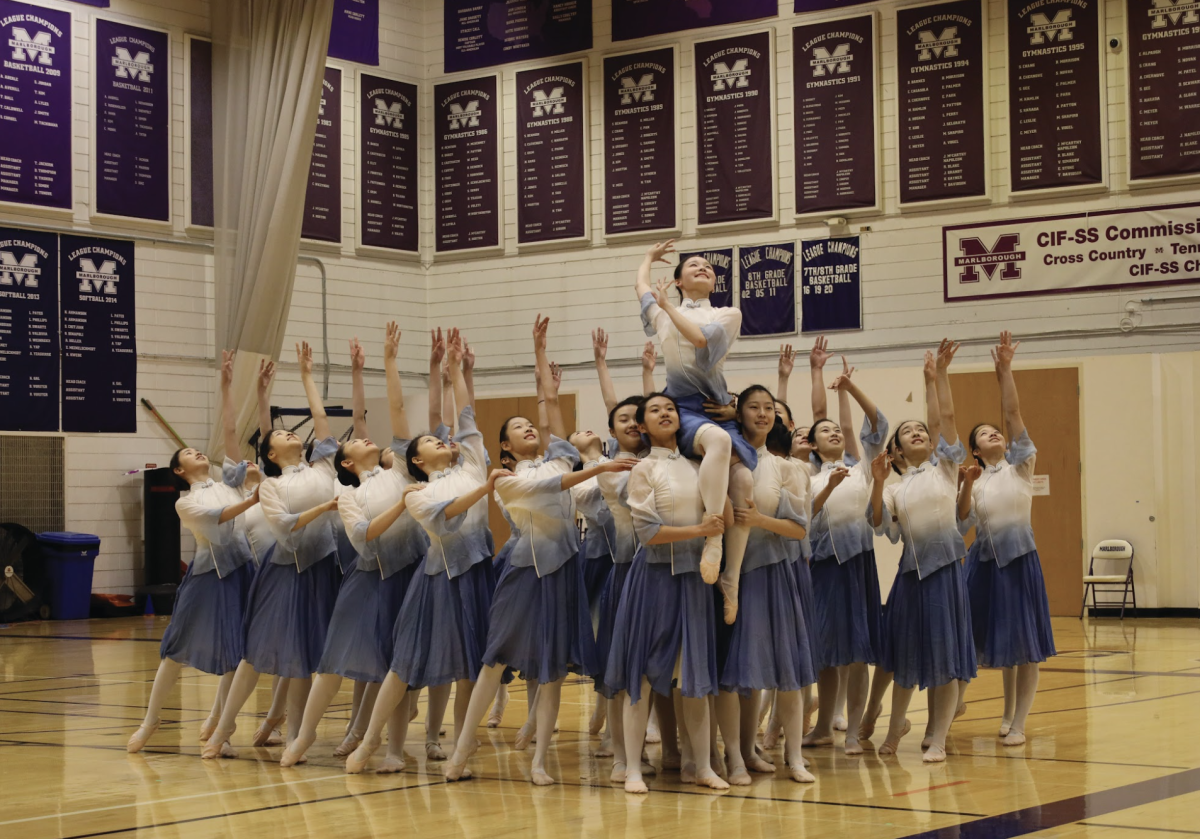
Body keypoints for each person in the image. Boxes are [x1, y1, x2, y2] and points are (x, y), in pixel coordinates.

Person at [442, 316, 634, 786]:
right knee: (496, 660)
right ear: (504, 447)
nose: (530, 429)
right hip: (525, 574)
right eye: (518, 428)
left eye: (531, 426)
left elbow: (555, 423)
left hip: (565, 573)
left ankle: (540, 759)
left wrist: (540, 353)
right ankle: (461, 751)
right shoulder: (508, 480)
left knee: (551, 672)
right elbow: (556, 480)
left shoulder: (556, 459)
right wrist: (454, 376)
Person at [346, 329, 512, 774]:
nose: (442, 441)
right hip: (438, 581)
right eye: (430, 443)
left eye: (442, 440)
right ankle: (372, 743)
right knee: (406, 666)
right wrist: (389, 361)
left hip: (478, 576)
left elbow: (466, 413)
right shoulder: (416, 492)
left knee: (470, 671)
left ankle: (459, 747)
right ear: (416, 459)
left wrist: (457, 369)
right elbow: (448, 519)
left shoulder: (474, 461)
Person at [280, 325, 429, 768]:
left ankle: (395, 749)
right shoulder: (347, 494)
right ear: (347, 462)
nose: (367, 437)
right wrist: (402, 505)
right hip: (367, 584)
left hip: (412, 580)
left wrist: (388, 362)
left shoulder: (402, 470)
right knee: (333, 665)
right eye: (357, 442)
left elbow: (397, 408)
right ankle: (303, 738)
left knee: (400, 670)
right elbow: (364, 540)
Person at [201, 341, 342, 758]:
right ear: (271, 455)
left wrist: (306, 376)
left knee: (305, 659)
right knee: (255, 655)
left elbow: (319, 417)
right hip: (283, 572)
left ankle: (297, 735)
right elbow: (284, 528)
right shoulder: (269, 485)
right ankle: (221, 730)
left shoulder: (323, 466)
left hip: (322, 571)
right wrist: (326, 507)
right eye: (280, 435)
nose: (289, 433)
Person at [128, 351, 260, 755]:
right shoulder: (184, 503)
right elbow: (222, 519)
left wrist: (225, 386)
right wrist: (254, 499)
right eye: (189, 455)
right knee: (175, 649)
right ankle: (151, 719)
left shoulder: (225, 478)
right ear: (180, 471)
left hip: (242, 572)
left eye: (198, 451)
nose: (198, 453)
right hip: (207, 578)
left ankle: (221, 720)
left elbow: (233, 434)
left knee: (237, 654)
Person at [605, 392, 730, 794]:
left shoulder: (699, 465)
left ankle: (703, 765)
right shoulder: (643, 469)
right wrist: (700, 531)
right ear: (642, 425)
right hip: (654, 579)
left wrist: (722, 506)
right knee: (640, 677)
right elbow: (648, 533)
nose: (665, 413)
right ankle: (635, 769)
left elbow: (721, 516)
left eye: (671, 408)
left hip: (694, 579)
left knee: (694, 676)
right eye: (655, 409)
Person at [869, 340, 977, 763]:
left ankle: (937, 736)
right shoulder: (895, 487)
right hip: (912, 576)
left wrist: (936, 378)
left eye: (921, 431)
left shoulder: (945, 469)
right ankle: (896, 726)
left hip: (948, 570)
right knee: (908, 656)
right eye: (906, 432)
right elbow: (880, 525)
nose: (918, 432)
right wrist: (877, 482)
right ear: (894, 452)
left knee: (946, 655)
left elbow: (944, 417)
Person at [636, 241, 754, 623]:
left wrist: (667, 305)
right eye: (692, 265)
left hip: (714, 407)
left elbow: (701, 342)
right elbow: (640, 288)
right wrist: (649, 259)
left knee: (746, 484)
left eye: (707, 265)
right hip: (682, 408)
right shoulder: (662, 313)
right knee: (717, 441)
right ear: (679, 279)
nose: (702, 267)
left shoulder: (727, 313)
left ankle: (731, 580)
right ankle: (713, 538)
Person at [717, 385, 818, 784]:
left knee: (786, 671)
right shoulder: (722, 459)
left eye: (768, 409)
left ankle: (794, 757)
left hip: (775, 574)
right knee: (736, 674)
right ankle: (737, 756)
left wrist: (759, 521)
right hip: (733, 576)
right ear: (737, 414)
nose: (762, 414)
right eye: (753, 408)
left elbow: (797, 529)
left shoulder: (787, 467)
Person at [959, 331, 1055, 747]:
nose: (994, 433)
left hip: (1019, 561)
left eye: (996, 431)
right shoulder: (973, 479)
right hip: (982, 562)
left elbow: (1013, 414)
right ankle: (959, 698)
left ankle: (1016, 721)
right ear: (975, 451)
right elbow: (960, 522)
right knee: (974, 635)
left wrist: (1005, 372)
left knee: (1025, 643)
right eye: (984, 434)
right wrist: (964, 486)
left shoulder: (1021, 467)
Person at [802, 354, 888, 756]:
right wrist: (827, 487)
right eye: (825, 431)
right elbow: (803, 521)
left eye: (837, 430)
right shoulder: (807, 476)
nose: (834, 432)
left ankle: (853, 731)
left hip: (856, 568)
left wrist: (850, 389)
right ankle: (822, 726)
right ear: (811, 444)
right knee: (824, 652)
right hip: (821, 569)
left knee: (856, 654)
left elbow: (877, 425)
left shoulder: (862, 469)